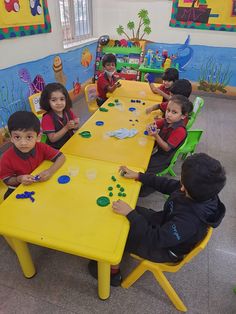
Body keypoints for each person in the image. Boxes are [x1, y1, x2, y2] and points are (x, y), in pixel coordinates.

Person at [109, 153, 226, 285]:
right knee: (125, 213)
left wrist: (131, 214)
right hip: (163, 224)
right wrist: (139, 176)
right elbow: (167, 184)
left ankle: (112, 275)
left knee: (116, 234)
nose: (180, 186)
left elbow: (155, 239)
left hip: (164, 249)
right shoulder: (200, 192)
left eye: (183, 184)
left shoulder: (189, 221)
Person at [0, 111, 65, 199]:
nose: (23, 143)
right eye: (17, 137)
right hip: (18, 188)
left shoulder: (42, 147)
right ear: (11, 138)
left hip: (40, 185)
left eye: (29, 137)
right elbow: (7, 179)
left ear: (38, 137)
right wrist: (19, 179)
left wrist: (50, 171)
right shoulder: (6, 159)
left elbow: (61, 157)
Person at [145, 94, 193, 175]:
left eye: (174, 112)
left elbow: (167, 148)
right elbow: (155, 123)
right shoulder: (168, 120)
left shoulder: (180, 131)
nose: (168, 114)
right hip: (157, 150)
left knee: (143, 166)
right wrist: (151, 125)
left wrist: (156, 135)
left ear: (183, 116)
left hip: (163, 159)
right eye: (168, 110)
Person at [40, 82, 79, 149]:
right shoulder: (47, 118)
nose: (59, 103)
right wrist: (66, 128)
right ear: (47, 101)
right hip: (57, 149)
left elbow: (76, 126)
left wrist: (75, 125)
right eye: (54, 100)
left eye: (62, 99)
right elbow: (52, 139)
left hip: (70, 143)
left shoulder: (67, 111)